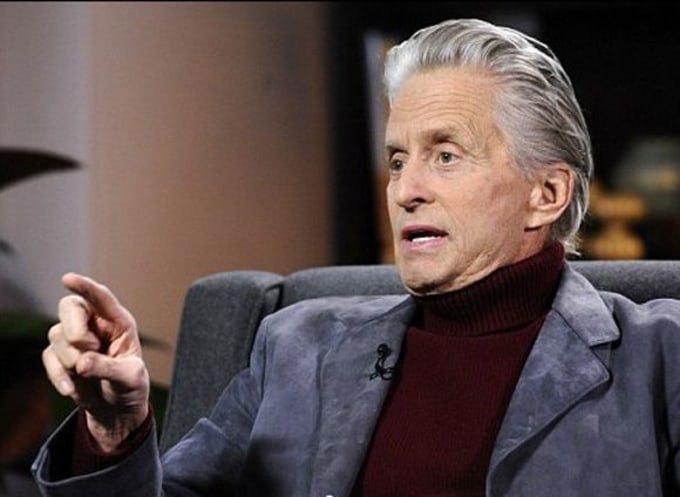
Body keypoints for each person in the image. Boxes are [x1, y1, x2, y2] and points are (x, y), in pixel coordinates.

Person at [32, 17, 680, 496]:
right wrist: (114, 433)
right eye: (397, 159)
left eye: (445, 155)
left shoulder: (661, 357)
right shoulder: (296, 347)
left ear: (547, 194)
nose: (405, 189)